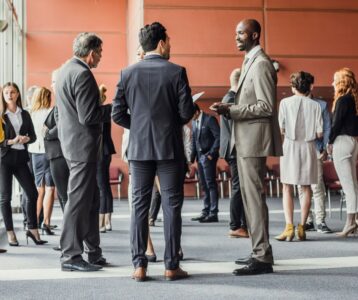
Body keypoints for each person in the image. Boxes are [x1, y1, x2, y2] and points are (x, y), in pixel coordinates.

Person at [112, 22, 194, 281]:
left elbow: (116, 113)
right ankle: (171, 266)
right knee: (171, 206)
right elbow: (185, 113)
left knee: (138, 206)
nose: (170, 45)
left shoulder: (127, 73)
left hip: (139, 150)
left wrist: (137, 128)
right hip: (169, 148)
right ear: (161, 43)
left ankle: (139, 265)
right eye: (168, 41)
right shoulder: (177, 72)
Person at [211, 19, 282, 276]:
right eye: (235, 33)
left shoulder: (261, 63)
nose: (236, 37)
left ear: (254, 34)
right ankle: (258, 250)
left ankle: (262, 257)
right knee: (251, 200)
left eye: (241, 33)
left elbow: (266, 107)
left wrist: (231, 110)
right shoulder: (250, 61)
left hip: (253, 142)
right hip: (245, 140)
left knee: (254, 199)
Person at [56, 32, 112, 272]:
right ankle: (70, 256)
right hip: (83, 147)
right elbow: (88, 116)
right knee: (79, 201)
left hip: (72, 145)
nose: (100, 57)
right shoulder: (82, 74)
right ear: (91, 53)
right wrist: (112, 109)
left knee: (90, 200)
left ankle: (92, 251)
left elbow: (61, 114)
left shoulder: (64, 71)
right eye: (100, 52)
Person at [275, 72, 323, 242]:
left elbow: (280, 130)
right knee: (306, 187)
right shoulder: (316, 106)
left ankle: (289, 227)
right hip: (308, 147)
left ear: (293, 87)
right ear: (311, 86)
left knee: (287, 187)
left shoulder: (284, 103)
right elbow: (319, 133)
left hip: (289, 147)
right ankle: (302, 227)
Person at [0, 82, 47, 247]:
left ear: (17, 94)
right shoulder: (1, 116)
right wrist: (11, 141)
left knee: (32, 193)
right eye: (6, 92)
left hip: (21, 158)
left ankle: (32, 229)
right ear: (3, 95)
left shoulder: (25, 114)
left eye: (12, 92)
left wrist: (27, 139)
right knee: (5, 198)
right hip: (4, 160)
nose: (9, 95)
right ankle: (10, 233)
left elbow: (33, 136)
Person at [298, 79, 333, 234]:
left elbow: (327, 128)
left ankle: (320, 221)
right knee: (301, 186)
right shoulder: (295, 103)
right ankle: (308, 220)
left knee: (317, 186)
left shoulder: (322, 105)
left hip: (315, 149)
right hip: (298, 151)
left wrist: (324, 148)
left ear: (311, 86)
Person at [327, 68, 358, 237]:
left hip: (342, 142)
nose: (332, 83)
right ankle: (355, 221)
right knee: (353, 183)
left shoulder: (342, 100)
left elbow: (336, 124)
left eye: (334, 80)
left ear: (341, 82)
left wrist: (329, 142)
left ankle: (350, 223)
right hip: (354, 142)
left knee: (348, 186)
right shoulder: (354, 100)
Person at [219, 68, 248, 238]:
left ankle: (242, 224)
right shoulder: (230, 99)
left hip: (232, 148)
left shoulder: (229, 98)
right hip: (234, 149)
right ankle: (235, 225)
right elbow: (237, 128)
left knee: (240, 186)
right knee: (238, 187)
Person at [28, 87, 56, 235]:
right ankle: (46, 223)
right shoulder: (51, 112)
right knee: (51, 188)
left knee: (39, 189)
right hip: (50, 152)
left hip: (35, 153)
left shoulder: (30, 114)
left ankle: (34, 225)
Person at [44, 68, 69, 214]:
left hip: (60, 154)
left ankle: (71, 232)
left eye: (54, 82)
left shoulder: (62, 101)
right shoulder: (61, 101)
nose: (52, 85)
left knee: (64, 195)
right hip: (57, 153)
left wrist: (47, 134)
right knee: (63, 195)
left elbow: (62, 126)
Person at [190, 103, 220, 223]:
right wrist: (191, 159)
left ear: (196, 112)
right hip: (199, 158)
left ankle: (213, 213)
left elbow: (219, 136)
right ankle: (206, 211)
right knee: (203, 184)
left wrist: (211, 155)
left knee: (210, 184)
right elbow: (194, 141)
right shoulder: (194, 122)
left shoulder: (209, 119)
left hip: (208, 157)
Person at [97, 84, 116, 233]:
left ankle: (102, 221)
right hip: (106, 151)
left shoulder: (99, 112)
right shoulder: (106, 110)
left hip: (100, 152)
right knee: (105, 186)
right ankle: (107, 220)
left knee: (101, 187)